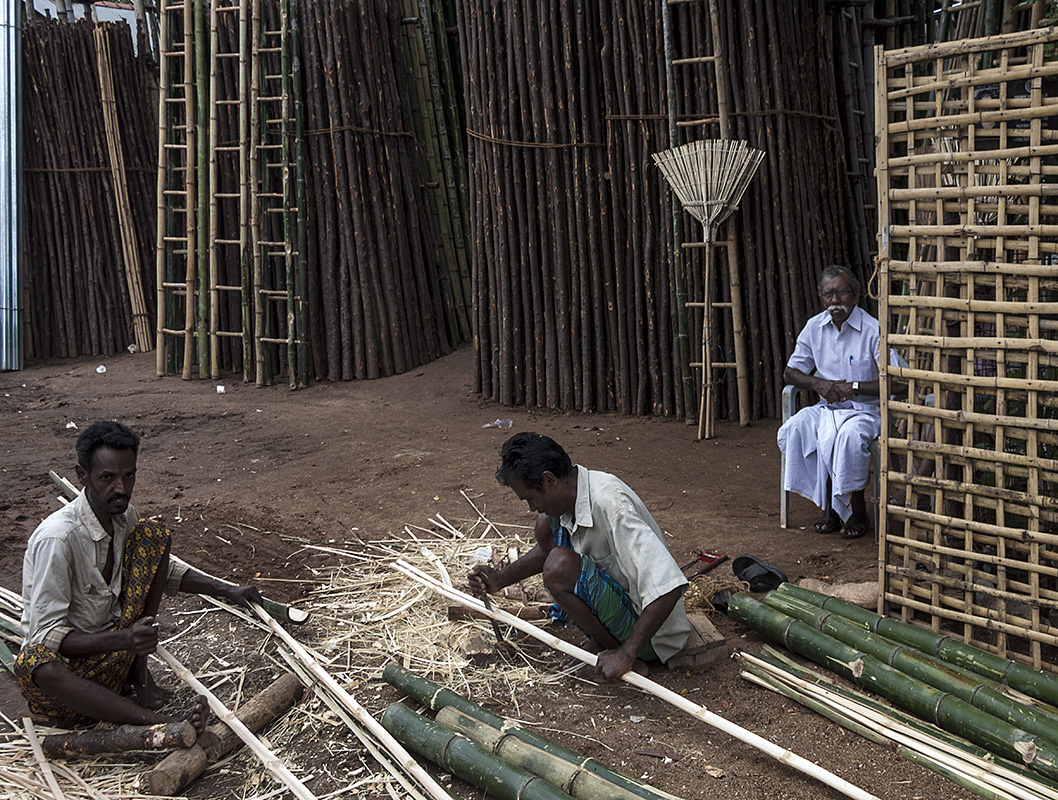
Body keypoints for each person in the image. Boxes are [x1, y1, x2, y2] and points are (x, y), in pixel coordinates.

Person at [16, 420, 261, 729]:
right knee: (34, 663)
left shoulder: (122, 515)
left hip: (114, 664)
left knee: (152, 536)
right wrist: (125, 638)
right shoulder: (58, 539)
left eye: (128, 476)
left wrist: (227, 590)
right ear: (82, 476)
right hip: (67, 687)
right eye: (107, 478)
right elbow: (45, 638)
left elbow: (159, 565)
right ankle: (161, 725)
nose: (121, 488)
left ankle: (139, 680)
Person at [468, 432, 690, 682]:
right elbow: (546, 551)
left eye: (531, 498)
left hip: (654, 639)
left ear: (549, 480)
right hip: (626, 614)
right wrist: (499, 579)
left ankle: (622, 654)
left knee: (559, 567)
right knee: (545, 524)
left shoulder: (612, 505)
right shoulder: (572, 496)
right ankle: (606, 643)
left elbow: (668, 586)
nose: (531, 507)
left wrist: (626, 654)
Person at [777, 264, 881, 539]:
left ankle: (856, 509)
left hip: (865, 411)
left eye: (841, 293)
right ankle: (829, 504)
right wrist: (818, 383)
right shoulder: (815, 327)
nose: (834, 301)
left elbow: (894, 382)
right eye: (828, 294)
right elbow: (790, 371)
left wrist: (853, 388)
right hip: (828, 408)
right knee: (796, 427)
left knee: (846, 436)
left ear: (856, 295)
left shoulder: (873, 330)